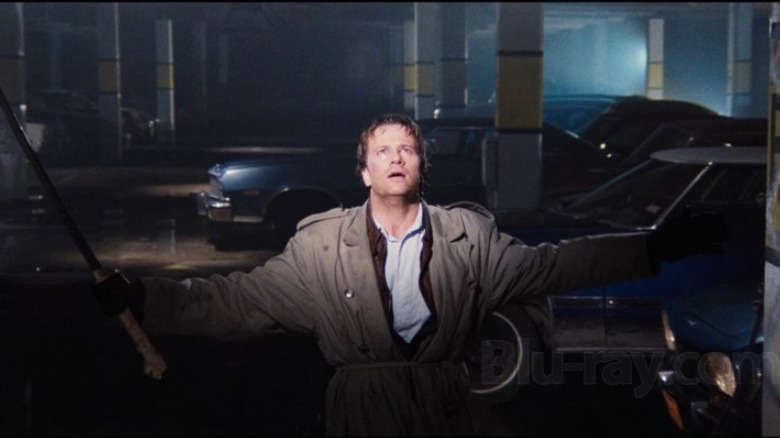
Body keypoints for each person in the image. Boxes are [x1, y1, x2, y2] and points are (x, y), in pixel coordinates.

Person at [94, 113, 725, 436]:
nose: (396, 157)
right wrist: (147, 298)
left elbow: (555, 264)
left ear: (421, 164)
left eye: (407, 148)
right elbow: (236, 302)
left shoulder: (468, 239)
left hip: (445, 409)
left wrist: (653, 249)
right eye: (382, 151)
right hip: (359, 414)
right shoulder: (319, 246)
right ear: (364, 172)